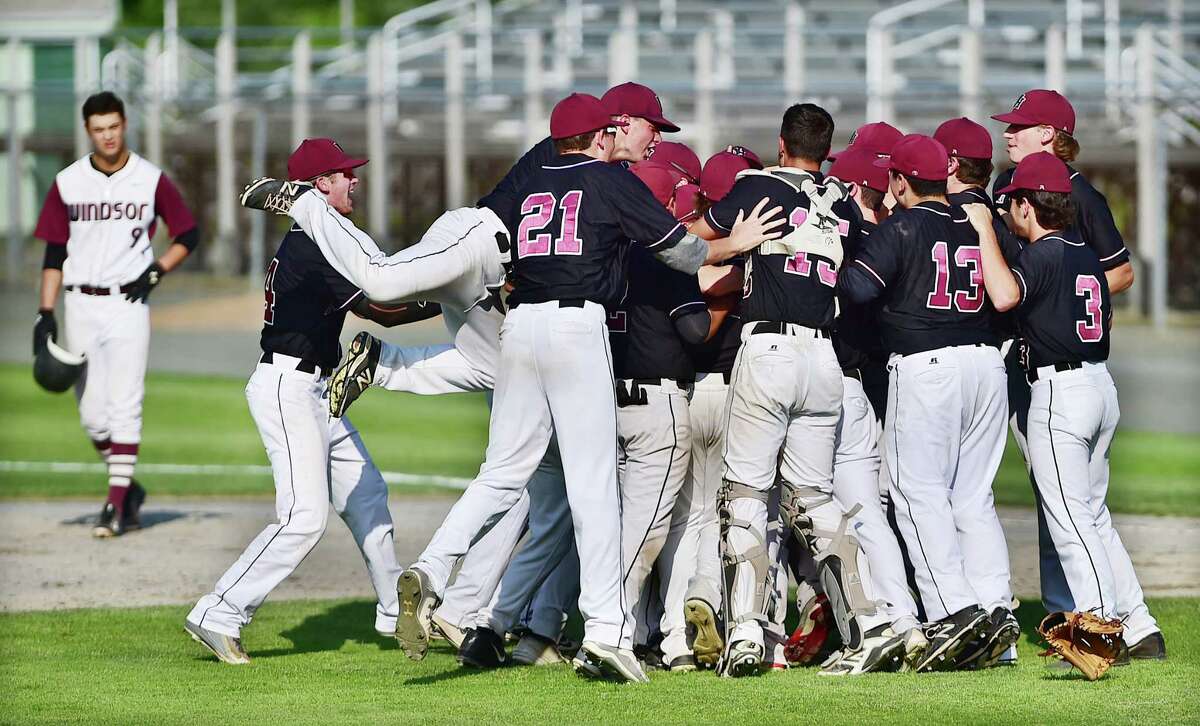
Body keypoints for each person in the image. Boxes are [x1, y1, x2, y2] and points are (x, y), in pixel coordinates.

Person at [391, 92, 784, 684]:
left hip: (520, 326)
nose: (647, 139)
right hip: (577, 327)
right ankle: (605, 634)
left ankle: (431, 569)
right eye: (641, 129)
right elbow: (682, 253)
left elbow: (487, 222)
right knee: (593, 484)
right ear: (606, 132)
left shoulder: (532, 170)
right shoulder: (610, 181)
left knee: (502, 473)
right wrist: (734, 244)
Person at [185, 139, 424, 663]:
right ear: (320, 185)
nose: (354, 180)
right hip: (288, 387)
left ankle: (394, 613)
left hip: (316, 389)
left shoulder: (321, 237)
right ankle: (219, 611)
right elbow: (382, 310)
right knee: (303, 518)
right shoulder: (313, 247)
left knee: (368, 496)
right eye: (343, 174)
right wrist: (450, 294)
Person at [690, 103, 903, 677]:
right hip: (826, 357)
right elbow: (869, 262)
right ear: (826, 151)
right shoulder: (839, 198)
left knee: (747, 496)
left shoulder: (756, 184)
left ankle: (746, 634)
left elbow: (688, 243)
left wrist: (735, 245)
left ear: (781, 145)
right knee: (815, 500)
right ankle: (870, 624)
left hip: (769, 350)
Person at [965, 151, 1165, 662]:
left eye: (1013, 204)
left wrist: (984, 229)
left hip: (1062, 393)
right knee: (1094, 516)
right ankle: (1141, 625)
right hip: (1099, 384)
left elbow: (1006, 296)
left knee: (1070, 520)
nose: (1008, 212)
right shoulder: (1081, 252)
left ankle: (1100, 629)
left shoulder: (1047, 253)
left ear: (1031, 207)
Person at [838, 134, 1018, 672]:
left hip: (928, 365)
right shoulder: (975, 222)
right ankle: (996, 613)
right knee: (973, 498)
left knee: (918, 494)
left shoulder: (902, 225)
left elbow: (858, 290)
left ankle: (953, 613)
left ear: (899, 180)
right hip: (985, 364)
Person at [989, 89, 1139, 625]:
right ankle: (1122, 618)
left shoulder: (1080, 197)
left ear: (1050, 134)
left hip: (1062, 366)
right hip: (1045, 361)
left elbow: (1120, 272)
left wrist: (1059, 296)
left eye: (1020, 126)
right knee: (1070, 502)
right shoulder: (1008, 188)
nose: (1008, 133)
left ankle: (1088, 616)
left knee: (1067, 503)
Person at [32, 91, 199, 538]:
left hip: (128, 303)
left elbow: (188, 232)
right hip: (80, 302)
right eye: (98, 129)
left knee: (126, 404)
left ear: (125, 125)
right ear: (88, 131)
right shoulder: (69, 182)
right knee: (92, 416)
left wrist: (158, 271)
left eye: (114, 126)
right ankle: (129, 489)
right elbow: (53, 251)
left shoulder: (149, 178)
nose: (108, 136)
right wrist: (45, 312)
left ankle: (114, 503)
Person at [822, 147, 927, 669]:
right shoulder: (887, 242)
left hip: (821, 383)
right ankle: (903, 622)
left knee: (794, 515)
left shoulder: (838, 229)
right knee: (867, 514)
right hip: (859, 390)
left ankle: (860, 629)